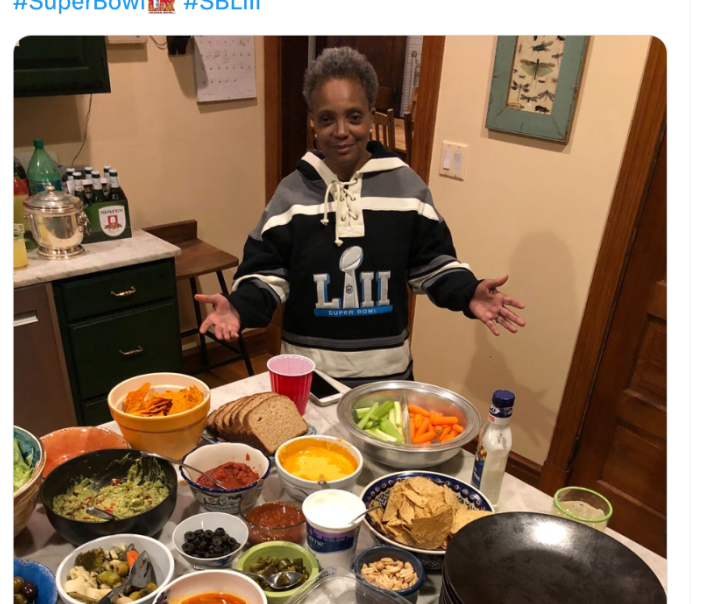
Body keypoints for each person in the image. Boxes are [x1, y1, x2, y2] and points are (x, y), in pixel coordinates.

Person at [196, 46, 525, 387]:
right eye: (327, 119)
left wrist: (468, 291)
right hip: (310, 377)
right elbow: (267, 272)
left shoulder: (407, 188)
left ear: (371, 116)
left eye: (354, 117)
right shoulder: (291, 195)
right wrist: (239, 307)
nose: (341, 131)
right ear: (313, 121)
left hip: (387, 377)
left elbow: (432, 262)